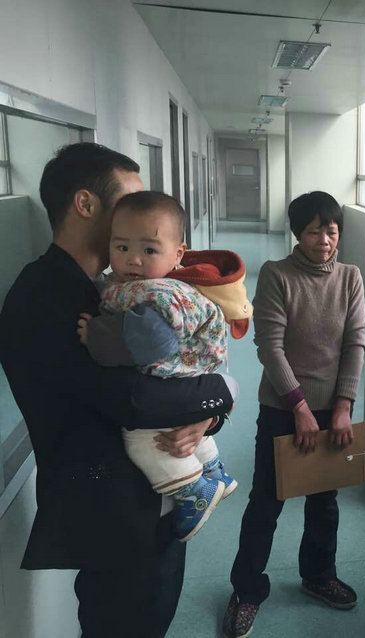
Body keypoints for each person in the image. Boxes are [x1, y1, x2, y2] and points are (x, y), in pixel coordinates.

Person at [0, 143, 235, 637]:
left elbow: (167, 372)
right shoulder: (44, 296)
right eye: (129, 199)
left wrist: (207, 413)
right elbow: (133, 398)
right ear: (86, 204)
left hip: (150, 501)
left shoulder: (107, 285)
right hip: (114, 517)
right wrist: (222, 393)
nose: (142, 209)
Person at [222, 191, 365, 638]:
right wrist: (299, 406)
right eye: (314, 232)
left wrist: (342, 406)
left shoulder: (350, 277)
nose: (324, 241)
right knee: (267, 501)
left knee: (325, 501)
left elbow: (355, 342)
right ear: (297, 234)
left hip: (332, 410)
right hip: (284, 408)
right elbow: (269, 346)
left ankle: (318, 575)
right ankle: (247, 590)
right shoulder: (277, 274)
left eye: (332, 231)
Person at [78, 190, 252, 542]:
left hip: (174, 380)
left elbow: (149, 343)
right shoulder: (153, 284)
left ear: (178, 254)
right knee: (183, 433)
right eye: (121, 247)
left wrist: (94, 335)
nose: (133, 260)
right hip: (191, 381)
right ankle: (213, 468)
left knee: (142, 439)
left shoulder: (162, 293)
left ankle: (194, 490)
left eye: (149, 251)